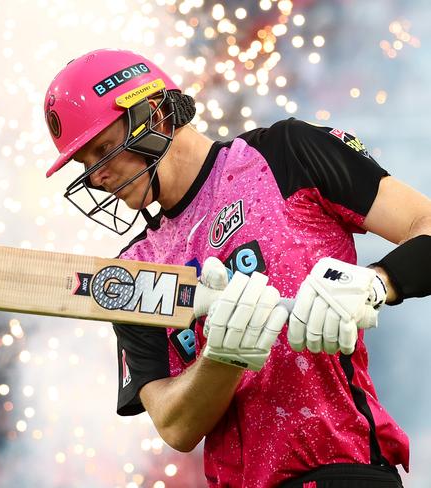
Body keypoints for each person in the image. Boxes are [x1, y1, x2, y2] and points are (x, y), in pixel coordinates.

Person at [43, 48, 431, 487]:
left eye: (103, 151)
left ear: (154, 115)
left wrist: (374, 284)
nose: (96, 176)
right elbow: (175, 426)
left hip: (342, 468)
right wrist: (222, 358)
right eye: (86, 164)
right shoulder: (132, 272)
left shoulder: (287, 153)